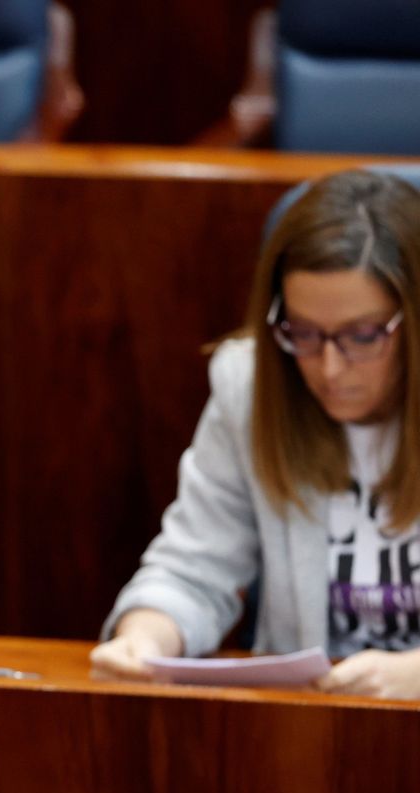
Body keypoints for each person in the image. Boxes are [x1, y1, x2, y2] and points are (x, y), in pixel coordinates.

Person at [93, 168, 420, 700]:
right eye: (303, 333)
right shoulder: (249, 387)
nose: (330, 368)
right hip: (303, 729)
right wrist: (145, 634)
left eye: (362, 336)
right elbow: (195, 568)